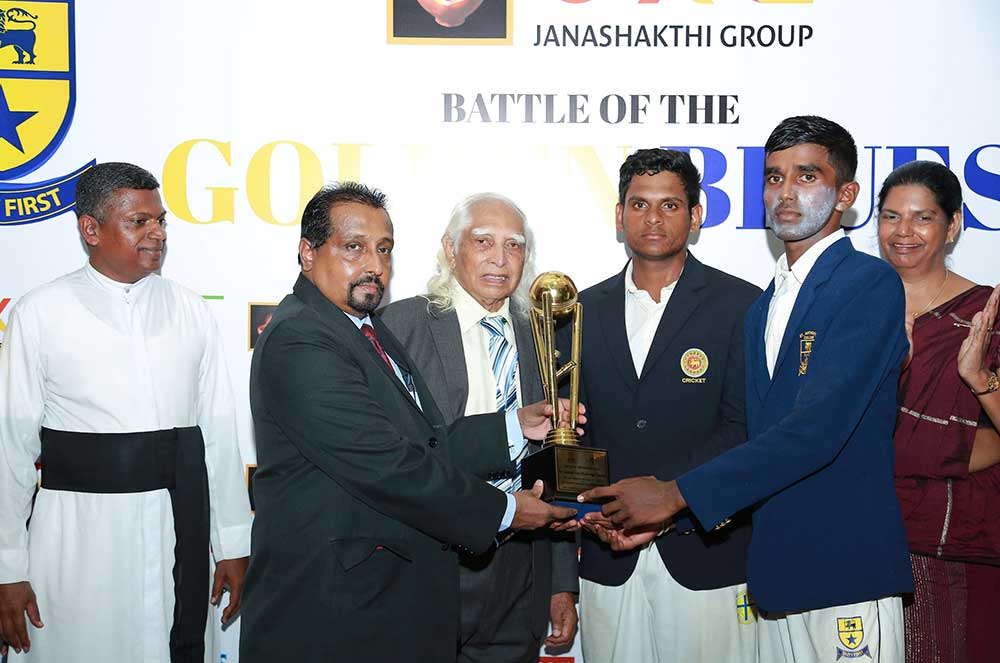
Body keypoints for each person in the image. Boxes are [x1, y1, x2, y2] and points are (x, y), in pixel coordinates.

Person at [581, 116, 915, 663]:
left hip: (844, 566)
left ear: (846, 195)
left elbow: (815, 432)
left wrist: (674, 495)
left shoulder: (867, 283)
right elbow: (755, 435)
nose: (786, 192)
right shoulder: (765, 305)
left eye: (807, 176)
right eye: (774, 177)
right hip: (775, 572)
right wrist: (668, 514)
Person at [239, 182, 579, 663]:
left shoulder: (364, 328)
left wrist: (512, 427)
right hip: (333, 606)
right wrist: (505, 511)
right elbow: (387, 464)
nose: (374, 265)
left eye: (384, 249)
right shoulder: (302, 338)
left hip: (392, 598)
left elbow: (425, 445)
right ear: (308, 252)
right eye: (354, 247)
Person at [0, 163, 252, 662]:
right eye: (139, 221)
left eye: (160, 221)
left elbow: (219, 437)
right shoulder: (39, 312)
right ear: (90, 230)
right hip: (76, 542)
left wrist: (232, 544)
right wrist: (8, 567)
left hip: (176, 536)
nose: (157, 233)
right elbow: (11, 450)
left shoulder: (191, 310)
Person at [559, 149, 761, 662]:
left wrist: (666, 501)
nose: (653, 218)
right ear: (619, 214)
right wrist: (593, 512)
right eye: (640, 204)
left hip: (707, 550)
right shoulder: (579, 311)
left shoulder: (741, 304)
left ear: (696, 216)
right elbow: (572, 431)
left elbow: (745, 429)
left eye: (670, 205)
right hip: (607, 553)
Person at [380, 193, 579, 662]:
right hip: (430, 562)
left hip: (520, 570)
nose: (499, 258)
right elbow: (393, 456)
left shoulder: (544, 334)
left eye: (514, 245)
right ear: (451, 249)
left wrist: (560, 583)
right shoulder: (400, 325)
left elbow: (558, 462)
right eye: (483, 241)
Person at [875, 160, 1000, 663]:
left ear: (953, 226)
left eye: (922, 217)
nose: (903, 231)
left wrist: (978, 377)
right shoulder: (851, 309)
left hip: (956, 540)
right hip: (860, 530)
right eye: (891, 217)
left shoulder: (987, 314)